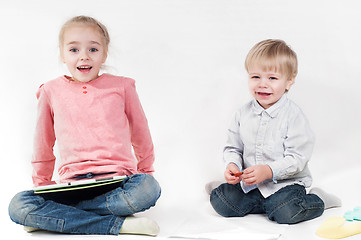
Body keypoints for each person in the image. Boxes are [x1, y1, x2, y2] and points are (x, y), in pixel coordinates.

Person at [8, 16, 161, 236]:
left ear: (104, 53)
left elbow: (140, 131)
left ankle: (54, 217)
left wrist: (145, 172)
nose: (84, 57)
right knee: (18, 205)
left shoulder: (123, 87)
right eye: (73, 50)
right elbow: (43, 141)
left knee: (149, 189)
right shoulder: (50, 91)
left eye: (93, 49)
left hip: (118, 181)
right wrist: (42, 184)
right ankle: (119, 224)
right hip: (73, 185)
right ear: (62, 54)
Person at [206, 39, 341, 224]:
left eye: (272, 78)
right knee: (221, 203)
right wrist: (233, 165)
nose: (262, 84)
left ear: (289, 81)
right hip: (251, 186)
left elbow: (298, 158)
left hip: (285, 186)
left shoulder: (293, 116)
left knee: (286, 212)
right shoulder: (242, 114)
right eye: (255, 77)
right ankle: (237, 197)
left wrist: (269, 171)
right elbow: (233, 148)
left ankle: (319, 199)